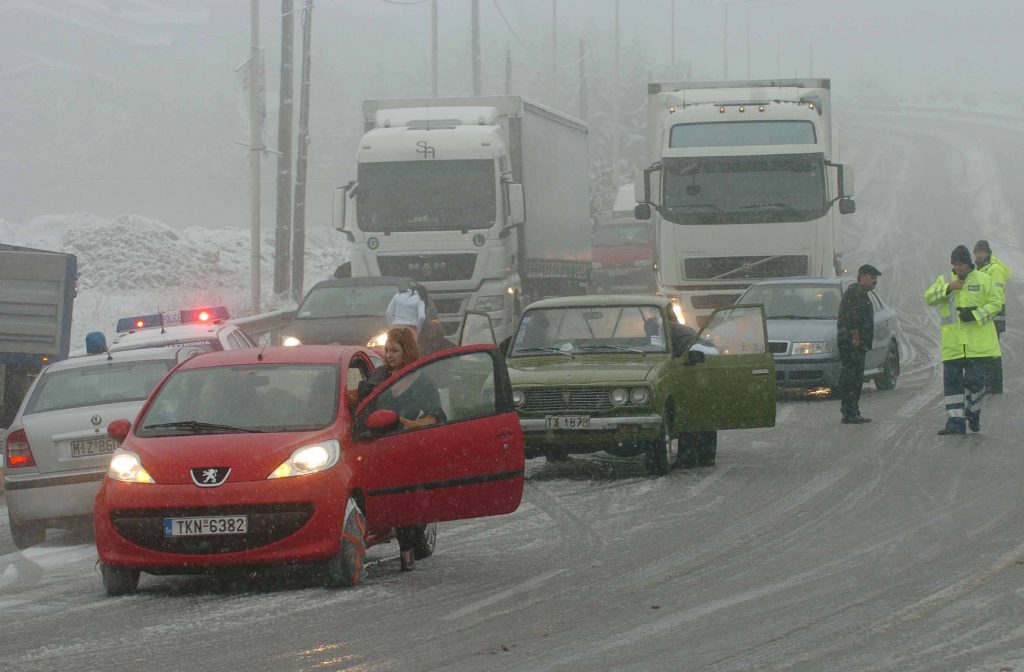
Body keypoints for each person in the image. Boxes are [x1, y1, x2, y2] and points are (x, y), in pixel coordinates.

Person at [354, 328, 442, 571]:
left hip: (408, 448)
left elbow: (435, 417)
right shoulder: (380, 377)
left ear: (407, 351)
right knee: (391, 499)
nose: (388, 355)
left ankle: (408, 550)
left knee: (407, 499)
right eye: (386, 350)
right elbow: (364, 407)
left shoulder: (422, 382)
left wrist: (409, 424)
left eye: (394, 350)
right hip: (379, 449)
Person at [924, 245, 1002, 435]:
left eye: (963, 264)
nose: (959, 268)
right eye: (956, 264)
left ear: (969, 264)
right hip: (953, 346)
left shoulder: (984, 280)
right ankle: (955, 423)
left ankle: (973, 413)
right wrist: (947, 288)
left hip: (978, 347)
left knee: (975, 384)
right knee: (953, 387)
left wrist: (975, 315)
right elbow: (929, 298)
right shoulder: (945, 280)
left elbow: (996, 303)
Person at [836, 264, 881, 424]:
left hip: (855, 343)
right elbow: (852, 317)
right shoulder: (856, 293)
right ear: (862, 277)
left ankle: (851, 411)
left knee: (854, 377)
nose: (875, 281)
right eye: (872, 277)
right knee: (852, 377)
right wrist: (856, 337)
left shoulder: (860, 293)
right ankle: (849, 412)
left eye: (876, 278)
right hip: (852, 343)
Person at [973, 240, 1012, 393]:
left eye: (981, 251)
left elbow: (995, 294)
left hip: (994, 314)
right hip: (986, 313)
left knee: (992, 351)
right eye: (976, 252)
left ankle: (994, 385)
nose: (978, 255)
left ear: (988, 253)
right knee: (987, 350)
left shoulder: (994, 269)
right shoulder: (981, 269)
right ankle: (990, 383)